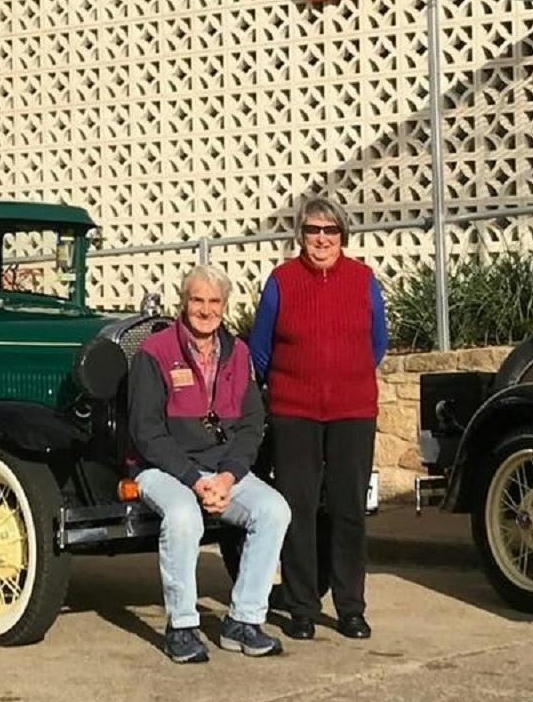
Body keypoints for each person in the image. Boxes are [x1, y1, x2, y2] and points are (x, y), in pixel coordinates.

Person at [128, 263, 291, 663]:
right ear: (183, 303)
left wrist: (228, 475)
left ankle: (244, 621)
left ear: (225, 305)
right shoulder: (156, 352)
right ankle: (182, 626)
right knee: (185, 517)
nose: (205, 309)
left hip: (220, 469)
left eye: (214, 301)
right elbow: (146, 431)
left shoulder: (239, 353)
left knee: (274, 510)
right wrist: (194, 481)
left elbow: (253, 424)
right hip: (161, 468)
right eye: (197, 300)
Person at [248, 195, 386, 642]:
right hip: (295, 413)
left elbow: (377, 344)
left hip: (353, 411)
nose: (321, 238)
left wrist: (346, 378)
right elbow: (261, 351)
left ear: (343, 235)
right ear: (301, 235)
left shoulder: (363, 279)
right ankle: (302, 606)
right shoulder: (281, 281)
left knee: (349, 512)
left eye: (330, 230)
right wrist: (290, 387)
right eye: (312, 230)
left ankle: (351, 609)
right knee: (298, 511)